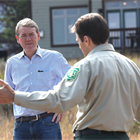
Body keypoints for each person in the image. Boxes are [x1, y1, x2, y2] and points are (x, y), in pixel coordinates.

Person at [0, 13, 140, 140]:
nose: (78, 45)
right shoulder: (132, 66)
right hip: (123, 137)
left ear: (86, 40)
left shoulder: (85, 66)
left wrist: (15, 97)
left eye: (78, 40)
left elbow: (59, 100)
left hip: (91, 137)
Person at [4, 18, 71, 140]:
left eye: (31, 34)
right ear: (18, 39)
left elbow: (72, 82)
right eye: (23, 35)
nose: (28, 39)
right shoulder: (12, 63)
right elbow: (8, 93)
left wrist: (63, 106)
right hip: (21, 125)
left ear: (38, 36)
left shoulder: (54, 58)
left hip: (47, 122)